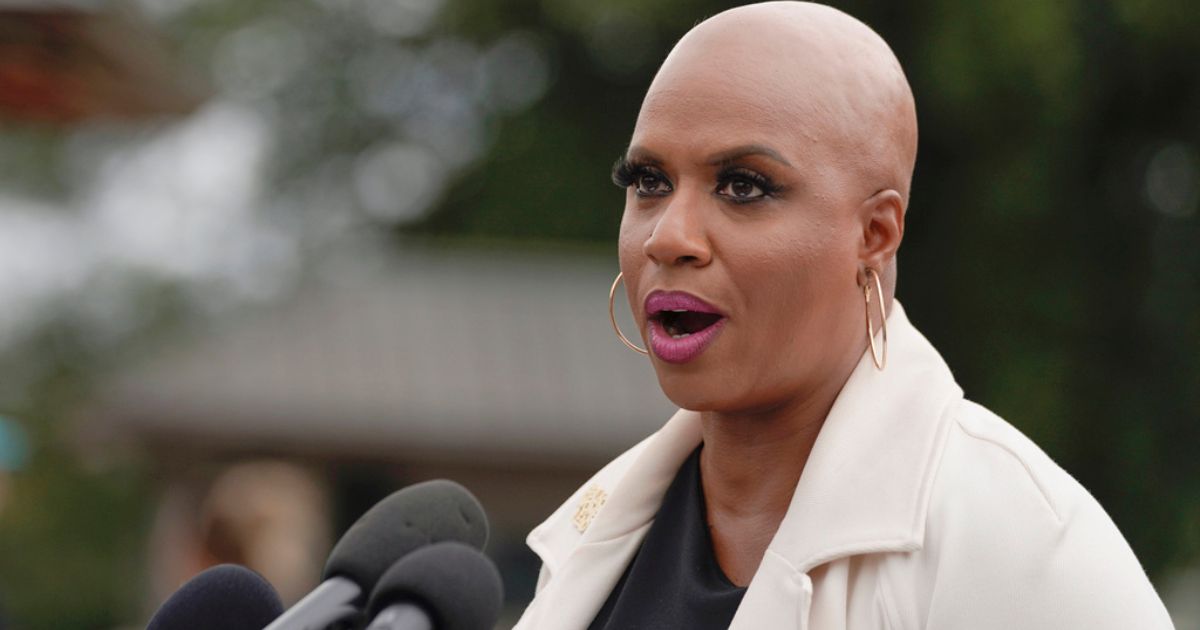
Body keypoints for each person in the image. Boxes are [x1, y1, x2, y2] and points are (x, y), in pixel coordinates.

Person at [512, 2, 1174, 629]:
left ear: (876, 234)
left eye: (743, 186)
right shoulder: (592, 533)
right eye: (650, 183)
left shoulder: (1022, 541)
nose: (667, 236)